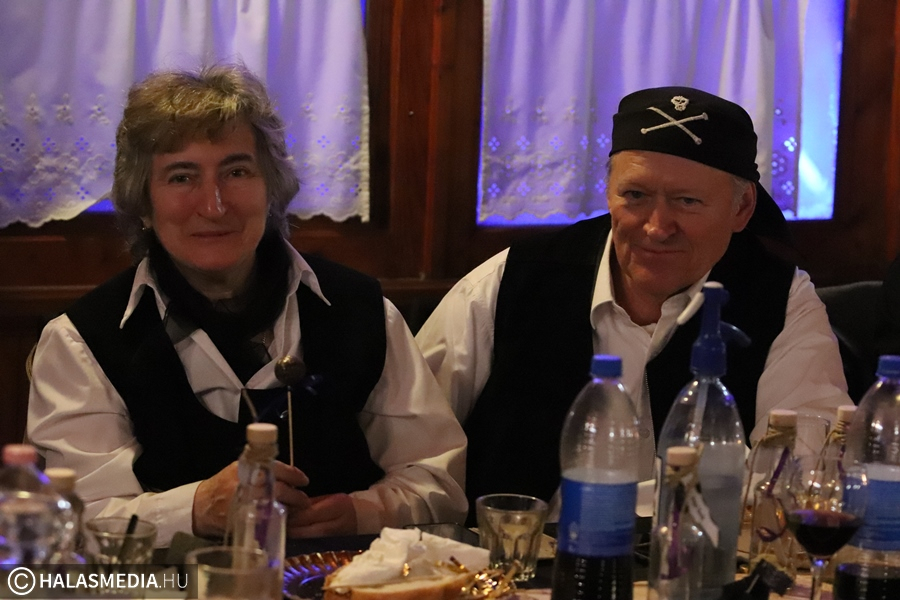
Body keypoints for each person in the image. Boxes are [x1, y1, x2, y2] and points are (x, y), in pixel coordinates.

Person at [27, 64, 467, 547]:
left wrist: (362, 512)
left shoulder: (362, 311)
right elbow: (73, 525)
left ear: (271, 187)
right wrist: (194, 510)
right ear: (144, 205)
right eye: (181, 177)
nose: (214, 205)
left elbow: (438, 481)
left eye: (236, 172)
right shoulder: (80, 342)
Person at [415, 86, 850, 522]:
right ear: (608, 191)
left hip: (695, 558)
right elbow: (416, 456)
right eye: (636, 195)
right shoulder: (510, 281)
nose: (657, 227)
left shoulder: (780, 299)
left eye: (687, 201)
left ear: (742, 208)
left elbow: (805, 474)